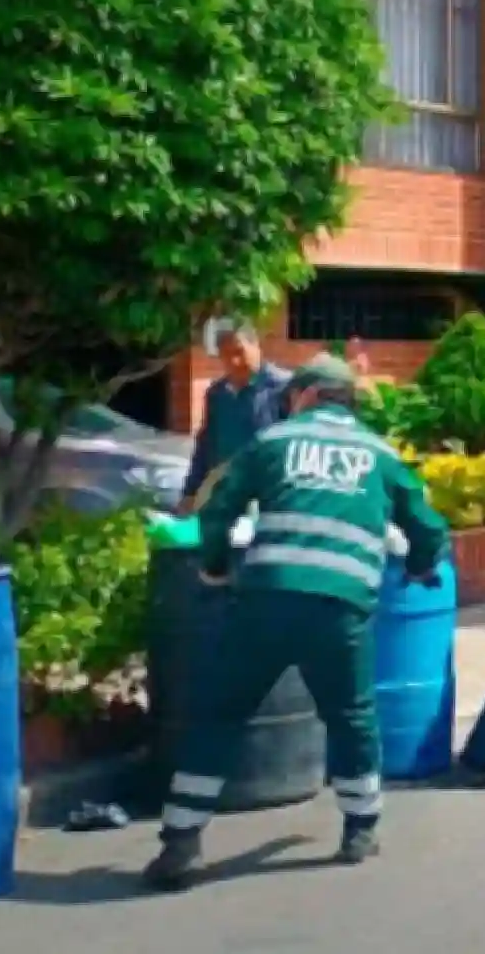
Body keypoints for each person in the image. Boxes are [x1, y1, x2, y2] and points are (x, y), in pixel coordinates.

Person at [142, 353, 450, 892]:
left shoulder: (273, 441)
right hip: (340, 609)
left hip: (265, 601)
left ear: (305, 395)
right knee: (351, 716)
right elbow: (427, 526)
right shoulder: (380, 454)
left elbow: (218, 509)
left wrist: (215, 565)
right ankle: (360, 829)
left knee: (219, 715)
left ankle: (182, 839)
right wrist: (422, 565)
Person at [178, 323, 292, 515]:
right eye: (226, 356)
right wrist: (190, 491)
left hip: (268, 495)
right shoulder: (218, 394)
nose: (234, 361)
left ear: (256, 346)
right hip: (225, 495)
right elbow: (206, 445)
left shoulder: (284, 389)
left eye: (239, 352)